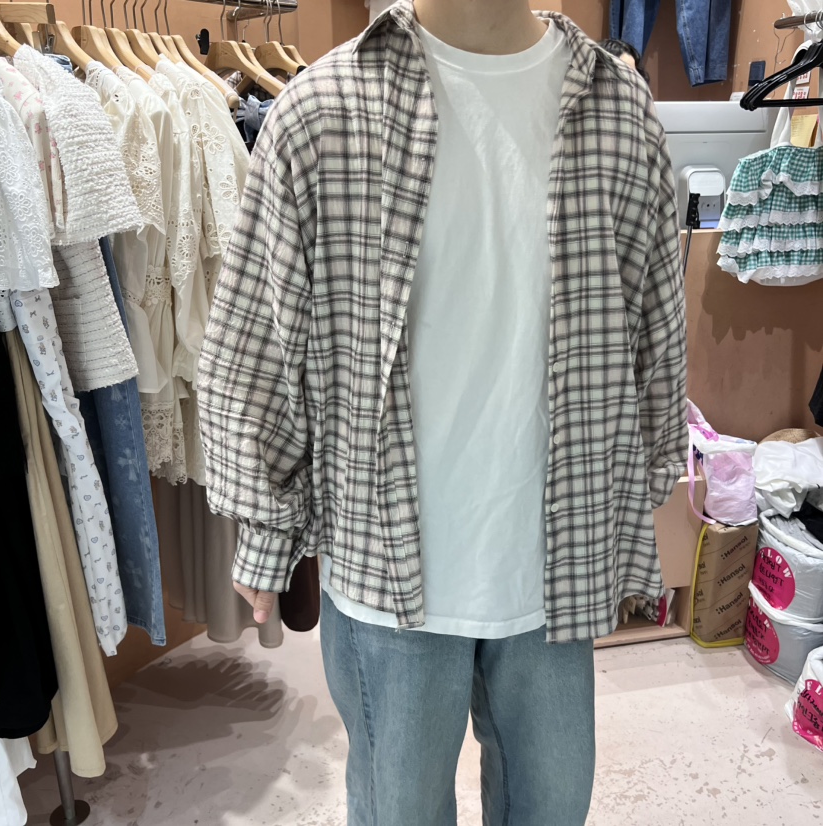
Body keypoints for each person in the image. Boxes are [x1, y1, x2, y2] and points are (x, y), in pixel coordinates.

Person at [197, 1, 688, 824]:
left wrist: (643, 485)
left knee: (554, 805)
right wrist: (268, 525)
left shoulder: (618, 111)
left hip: (552, 568)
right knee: (400, 809)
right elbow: (259, 335)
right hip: (385, 568)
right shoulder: (322, 112)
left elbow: (657, 326)